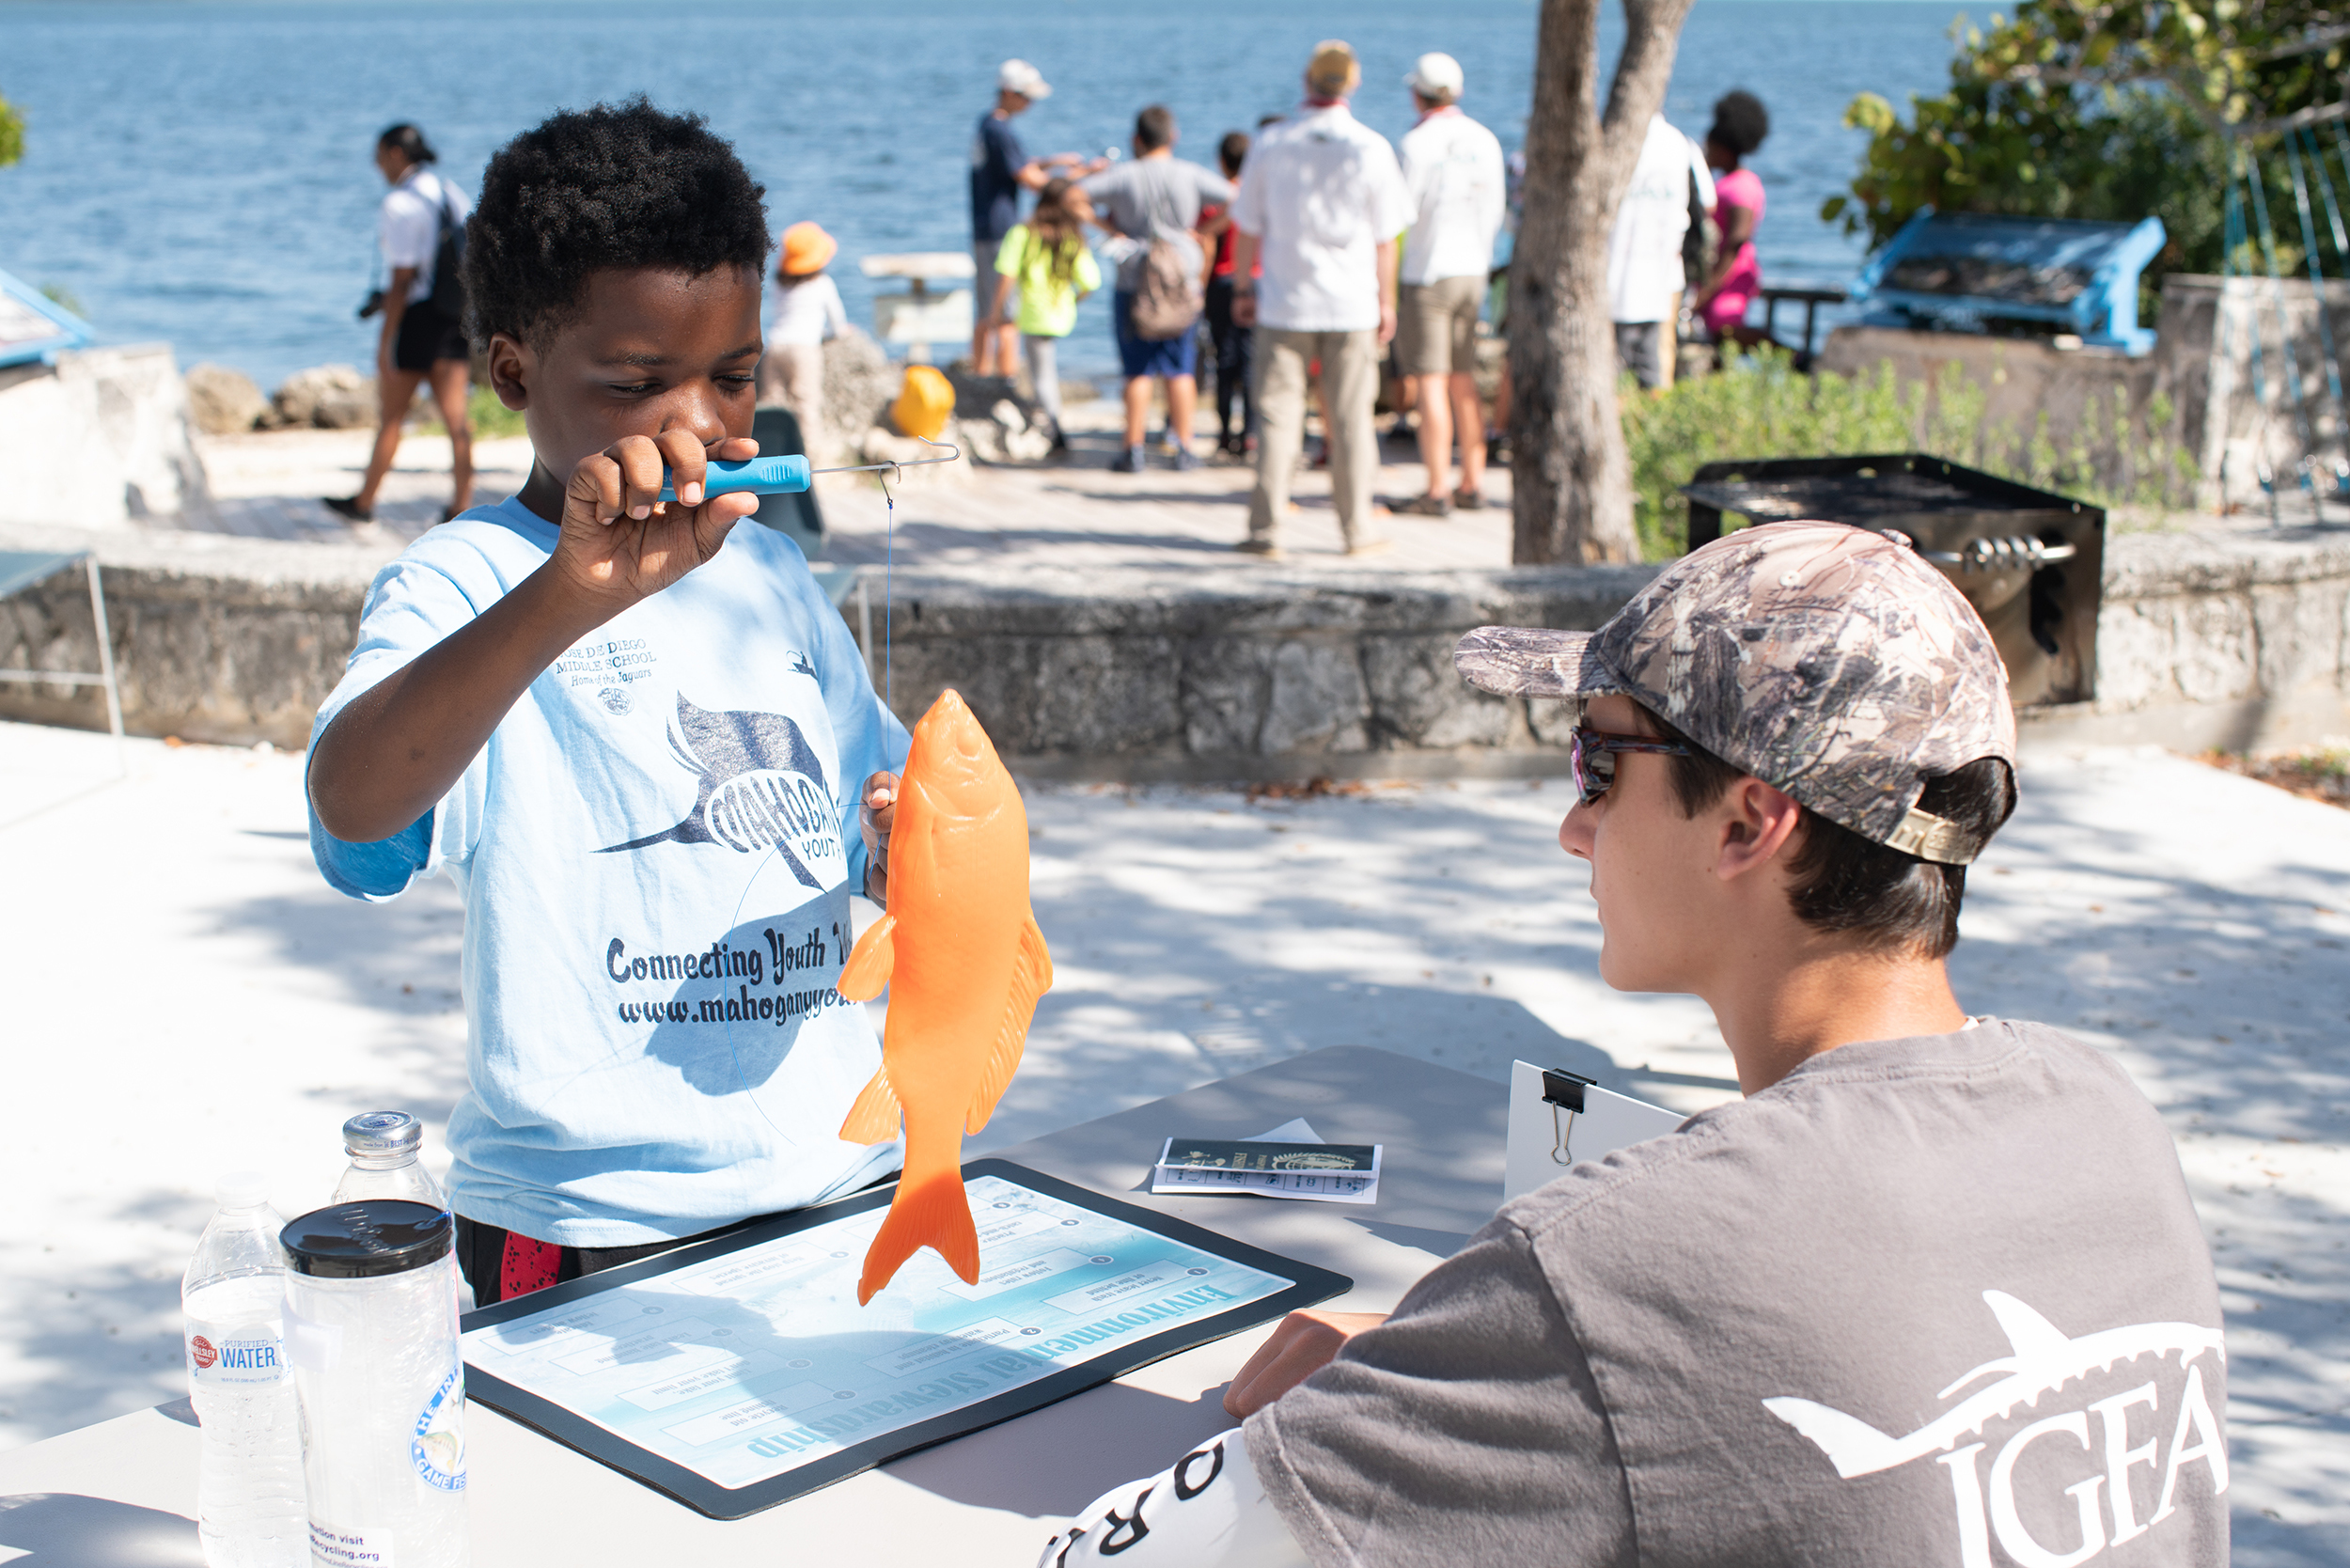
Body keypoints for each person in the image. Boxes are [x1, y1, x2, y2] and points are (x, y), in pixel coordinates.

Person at [1037, 522, 2229, 1567]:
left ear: (1751, 821)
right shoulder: (2104, 1117)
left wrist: (1501, 1362)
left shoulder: (1625, 1258)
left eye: (1601, 765)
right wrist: (1474, 1379)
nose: (1572, 824)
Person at [305, 99, 912, 1305]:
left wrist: (903, 843)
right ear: (514, 372)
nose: (699, 425)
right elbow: (356, 814)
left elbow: (860, 839)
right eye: (641, 382)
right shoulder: (463, 583)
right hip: (591, 1224)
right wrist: (565, 597)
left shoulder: (774, 574)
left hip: (844, 1182)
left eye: (732, 378)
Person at [1230, 41, 1411, 559]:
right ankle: (1356, 529)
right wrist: (1388, 301)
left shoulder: (1271, 142)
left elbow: (1247, 227)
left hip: (1285, 301)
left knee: (1277, 416)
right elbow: (1386, 239)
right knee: (1353, 420)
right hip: (1352, 303)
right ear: (1351, 84)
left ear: (1307, 81)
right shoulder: (1372, 147)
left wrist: (1244, 286)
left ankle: (1266, 528)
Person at [326, 123, 475, 527]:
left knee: (392, 415)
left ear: (395, 154)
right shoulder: (447, 190)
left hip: (419, 318)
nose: (376, 165)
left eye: (378, 156)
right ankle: (462, 502)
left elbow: (402, 278)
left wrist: (386, 339)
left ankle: (365, 500)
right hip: (453, 315)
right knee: (457, 419)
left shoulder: (400, 204)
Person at [1081, 105, 1233, 473]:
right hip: (1181, 279)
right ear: (1172, 137)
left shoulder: (1122, 176)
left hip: (1135, 279)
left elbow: (1071, 196)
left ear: (1136, 139)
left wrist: (1105, 227)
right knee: (1180, 368)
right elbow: (1237, 198)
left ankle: (1132, 449)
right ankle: (1185, 447)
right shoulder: (1190, 174)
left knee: (1137, 370)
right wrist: (1205, 233)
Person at [1392, 52, 1505, 517]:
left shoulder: (1416, 144)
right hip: (1472, 268)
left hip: (1429, 271)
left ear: (1417, 93)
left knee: (1432, 382)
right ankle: (1472, 480)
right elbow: (1496, 206)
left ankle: (1437, 486)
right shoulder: (1485, 139)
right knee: (1464, 381)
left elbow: (1399, 213)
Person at [970, 59, 1098, 379]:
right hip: (999, 229)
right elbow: (1031, 180)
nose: (1030, 103)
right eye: (1027, 96)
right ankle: (1002, 382)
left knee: (987, 307)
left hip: (986, 227)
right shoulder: (1000, 131)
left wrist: (1054, 162)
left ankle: (982, 376)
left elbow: (1022, 165)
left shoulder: (987, 125)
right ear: (1011, 93)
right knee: (1005, 315)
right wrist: (1077, 176)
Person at [992, 178, 1101, 453]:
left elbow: (1007, 274)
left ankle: (1055, 429)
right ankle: (1049, 422)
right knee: (1045, 370)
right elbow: (1091, 281)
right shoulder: (1072, 235)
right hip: (1061, 314)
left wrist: (996, 311)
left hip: (1033, 313)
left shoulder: (1023, 232)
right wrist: (1074, 300)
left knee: (1043, 375)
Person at [1606, 114, 1715, 391]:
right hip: (1665, 273)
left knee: (1613, 367)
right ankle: (1654, 421)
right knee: (1657, 361)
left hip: (1615, 275)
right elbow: (1707, 204)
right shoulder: (1680, 144)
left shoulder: (1612, 135)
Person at [759, 220, 848, 462]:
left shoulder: (779, 283)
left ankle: (768, 452)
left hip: (775, 345)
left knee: (771, 402)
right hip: (804, 348)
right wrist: (838, 334)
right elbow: (838, 324)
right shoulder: (822, 284)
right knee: (806, 404)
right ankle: (807, 457)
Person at [1693, 89, 1770, 346]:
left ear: (1724, 150)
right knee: (1718, 338)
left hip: (1732, 274)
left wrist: (1709, 288)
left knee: (1724, 329)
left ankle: (1797, 360)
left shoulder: (1741, 187)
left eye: (1710, 149)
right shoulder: (1729, 183)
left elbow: (1737, 239)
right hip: (1721, 273)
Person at [1199, 131, 1256, 459]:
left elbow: (1205, 244)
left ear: (1222, 162)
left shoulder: (1215, 205)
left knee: (1223, 361)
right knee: (1250, 362)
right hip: (1256, 281)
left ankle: (1223, 433)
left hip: (1220, 284)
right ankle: (1249, 434)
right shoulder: (1259, 199)